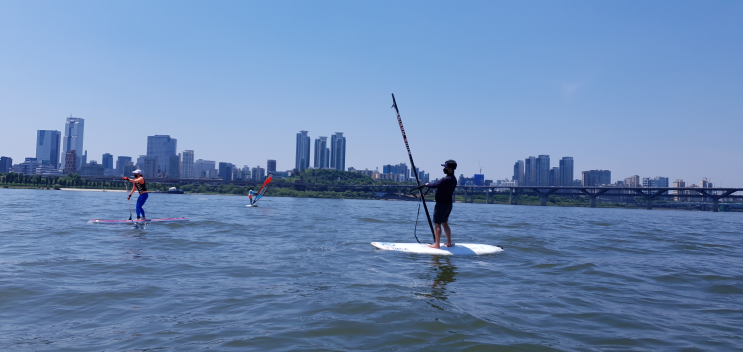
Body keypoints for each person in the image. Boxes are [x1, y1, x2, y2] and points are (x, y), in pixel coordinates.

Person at [424, 160, 458, 249]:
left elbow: (435, 185)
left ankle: (437, 244)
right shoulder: (453, 179)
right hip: (448, 204)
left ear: (450, 169)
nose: (444, 168)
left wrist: (428, 184)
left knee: (437, 223)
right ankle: (449, 242)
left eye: (446, 167)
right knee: (444, 223)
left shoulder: (446, 179)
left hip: (441, 205)